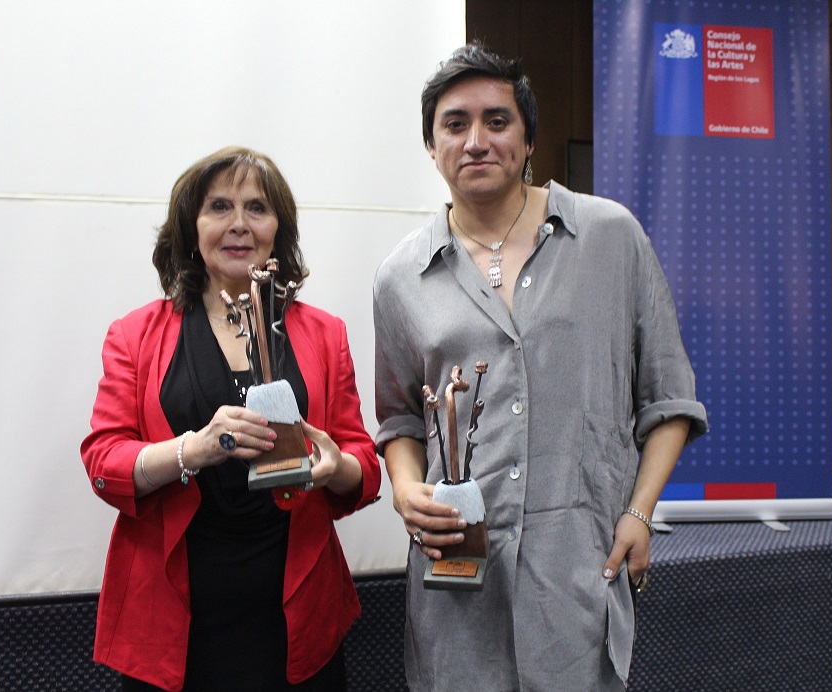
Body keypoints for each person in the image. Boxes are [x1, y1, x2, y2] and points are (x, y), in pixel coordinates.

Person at [373, 44, 708, 691]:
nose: (476, 141)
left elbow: (669, 399)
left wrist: (639, 513)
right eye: (454, 124)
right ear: (431, 146)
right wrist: (405, 487)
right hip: (456, 587)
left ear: (528, 140)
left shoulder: (610, 236)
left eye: (497, 121)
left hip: (577, 571)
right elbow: (399, 420)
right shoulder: (400, 276)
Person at [81, 146, 381, 691]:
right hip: (173, 618)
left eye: (257, 208)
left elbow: (364, 462)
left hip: (297, 615)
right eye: (219, 207)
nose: (239, 224)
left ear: (278, 229)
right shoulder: (134, 335)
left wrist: (336, 466)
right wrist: (194, 449)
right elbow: (104, 461)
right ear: (191, 228)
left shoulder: (325, 333)